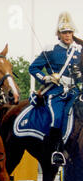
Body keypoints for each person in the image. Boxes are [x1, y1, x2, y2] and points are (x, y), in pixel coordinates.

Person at [29, 11, 82, 166]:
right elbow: (33, 68)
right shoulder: (50, 49)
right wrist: (46, 77)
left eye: (70, 32)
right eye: (65, 32)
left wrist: (79, 74)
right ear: (59, 34)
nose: (68, 35)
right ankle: (56, 151)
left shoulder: (78, 50)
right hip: (56, 92)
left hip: (74, 91)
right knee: (58, 117)